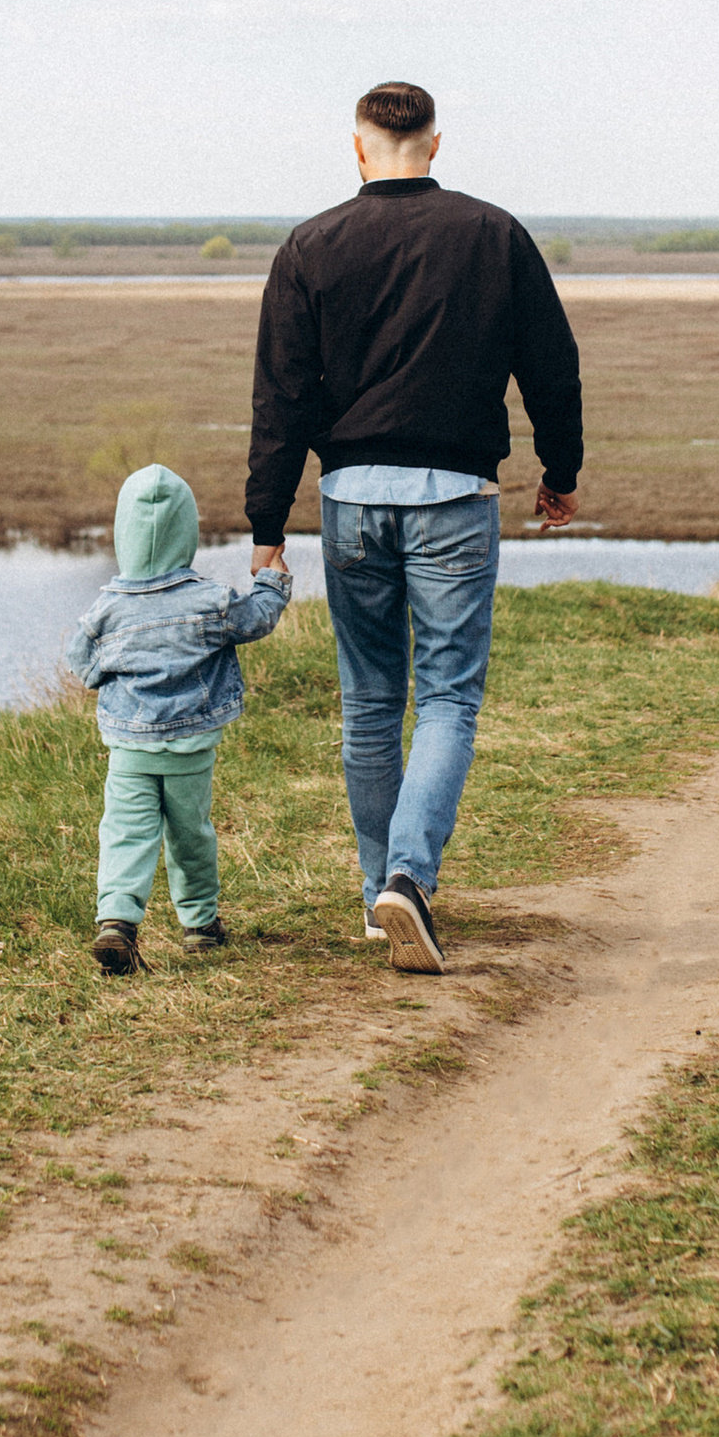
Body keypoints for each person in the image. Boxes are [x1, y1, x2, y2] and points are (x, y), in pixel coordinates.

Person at [246, 81, 583, 974]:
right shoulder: (492, 234)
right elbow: (552, 365)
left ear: (359, 150)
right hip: (455, 497)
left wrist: (266, 527)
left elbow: (280, 398)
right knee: (446, 698)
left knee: (368, 702)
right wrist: (560, 474)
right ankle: (407, 878)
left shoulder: (310, 244)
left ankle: (377, 899)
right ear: (434, 146)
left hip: (350, 501)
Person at [64, 462, 291, 977]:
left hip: (130, 752)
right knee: (192, 834)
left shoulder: (106, 609)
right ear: (187, 533)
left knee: (125, 832)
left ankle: (117, 923)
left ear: (123, 535)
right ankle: (200, 925)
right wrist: (273, 579)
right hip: (191, 750)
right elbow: (256, 619)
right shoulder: (208, 600)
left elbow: (84, 664)